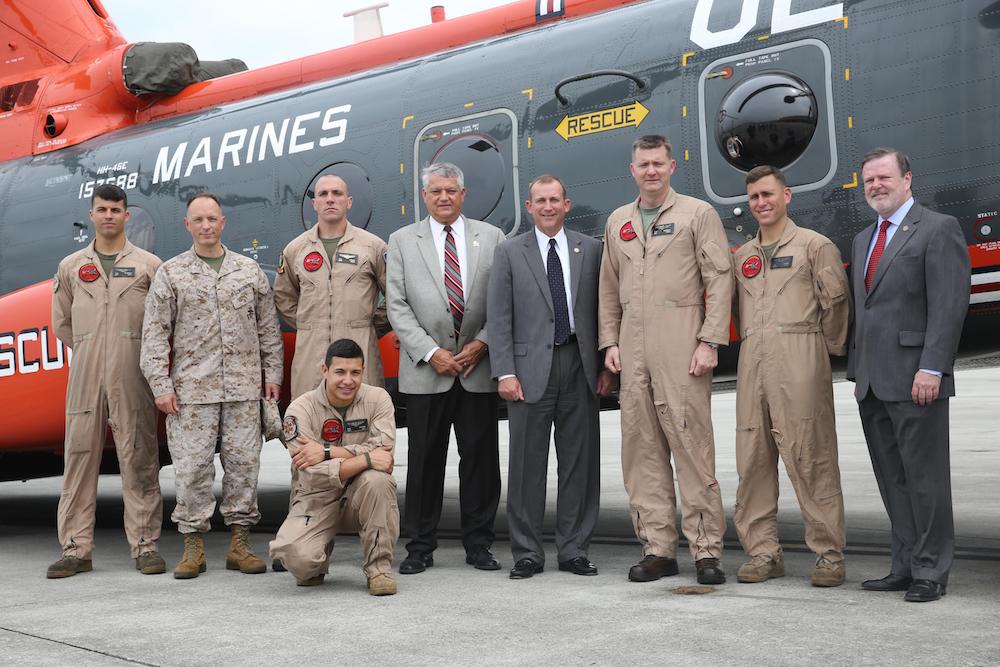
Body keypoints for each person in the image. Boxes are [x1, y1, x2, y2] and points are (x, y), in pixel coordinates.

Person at [598, 135, 732, 585]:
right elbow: (607, 287)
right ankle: (657, 549)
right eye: (643, 164)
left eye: (658, 163)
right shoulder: (619, 221)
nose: (651, 171)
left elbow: (718, 276)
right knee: (642, 452)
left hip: (681, 342)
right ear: (631, 170)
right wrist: (609, 342)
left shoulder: (698, 214)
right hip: (631, 347)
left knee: (692, 447)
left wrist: (710, 339)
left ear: (672, 166)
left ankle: (706, 550)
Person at [847, 147, 970, 603]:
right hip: (873, 383)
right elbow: (866, 311)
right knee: (892, 480)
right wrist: (857, 371)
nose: (875, 186)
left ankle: (932, 570)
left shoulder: (938, 229)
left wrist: (933, 367)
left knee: (926, 480)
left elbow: (949, 306)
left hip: (918, 379)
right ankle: (904, 564)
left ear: (907, 180)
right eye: (868, 181)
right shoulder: (863, 240)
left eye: (883, 178)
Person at [140, 192, 284, 579]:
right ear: (188, 225)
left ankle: (240, 545)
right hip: (192, 393)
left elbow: (268, 329)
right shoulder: (171, 274)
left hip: (242, 389)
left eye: (212, 219)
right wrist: (160, 385)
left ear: (223, 223)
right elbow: (154, 334)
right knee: (192, 469)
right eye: (198, 220)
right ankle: (193, 547)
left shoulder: (248, 271)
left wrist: (272, 377)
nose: (206, 226)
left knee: (243, 467)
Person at [730, 166, 851, 587]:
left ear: (787, 196)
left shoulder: (815, 246)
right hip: (752, 361)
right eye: (754, 198)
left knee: (810, 456)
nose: (761, 203)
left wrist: (823, 353)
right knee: (753, 459)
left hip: (800, 356)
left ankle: (828, 554)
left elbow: (835, 304)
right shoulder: (742, 256)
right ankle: (764, 554)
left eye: (768, 194)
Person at [487, 175, 613, 579]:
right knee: (526, 466)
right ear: (529, 207)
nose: (547, 206)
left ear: (566, 204)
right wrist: (504, 371)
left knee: (580, 464)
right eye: (539, 200)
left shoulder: (591, 250)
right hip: (526, 372)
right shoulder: (509, 253)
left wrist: (603, 366)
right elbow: (499, 317)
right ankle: (527, 552)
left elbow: (603, 311)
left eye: (554, 199)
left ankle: (574, 549)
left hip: (578, 366)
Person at [386, 162, 506, 574]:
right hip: (427, 371)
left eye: (451, 190)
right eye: (436, 191)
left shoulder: (492, 238)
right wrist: (429, 352)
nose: (443, 197)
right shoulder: (402, 241)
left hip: (477, 368)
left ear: (463, 193)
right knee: (424, 462)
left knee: (480, 460)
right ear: (425, 195)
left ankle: (479, 544)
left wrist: (482, 343)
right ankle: (419, 546)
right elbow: (397, 305)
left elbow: (504, 301)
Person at [47, 184, 165, 578]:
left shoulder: (150, 266)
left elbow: (162, 325)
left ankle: (145, 546)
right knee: (79, 458)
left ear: (127, 215)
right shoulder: (70, 267)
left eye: (116, 209)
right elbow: (61, 324)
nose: (109, 215)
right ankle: (75, 549)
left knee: (139, 457)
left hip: (133, 373)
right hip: (85, 373)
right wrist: (91, 347)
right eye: (102, 209)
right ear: (92, 215)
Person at [269, 339, 398, 594]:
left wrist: (326, 451)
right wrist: (366, 458)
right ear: (324, 371)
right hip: (316, 497)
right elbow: (311, 472)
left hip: (361, 494)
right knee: (300, 564)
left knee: (378, 481)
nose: (347, 380)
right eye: (340, 372)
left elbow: (384, 454)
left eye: (355, 372)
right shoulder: (300, 409)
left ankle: (379, 569)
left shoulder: (378, 399)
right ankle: (317, 558)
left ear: (363, 372)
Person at [273, 174, 391, 398]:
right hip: (311, 360)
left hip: (359, 355)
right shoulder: (295, 250)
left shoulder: (372, 247)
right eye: (323, 194)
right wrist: (309, 324)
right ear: (314, 203)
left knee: (362, 421)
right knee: (310, 423)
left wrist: (368, 326)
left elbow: (395, 295)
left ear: (349, 202)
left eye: (337, 193)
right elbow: (283, 297)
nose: (330, 199)